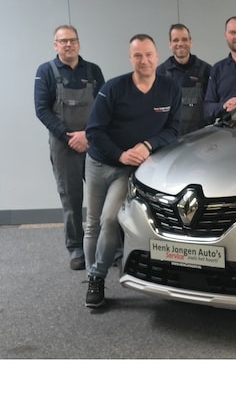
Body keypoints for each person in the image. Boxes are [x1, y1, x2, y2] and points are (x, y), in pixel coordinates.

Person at [83, 34, 181, 308]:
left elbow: (173, 129)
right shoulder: (114, 88)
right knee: (92, 223)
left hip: (126, 170)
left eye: (148, 54)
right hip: (99, 163)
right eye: (138, 55)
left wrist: (148, 145)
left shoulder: (170, 89)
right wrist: (120, 154)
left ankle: (97, 275)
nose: (144, 60)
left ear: (157, 56)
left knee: (110, 219)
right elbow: (94, 131)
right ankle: (93, 278)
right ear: (130, 58)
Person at [34, 25, 106, 270]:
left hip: (93, 143)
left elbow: (103, 107)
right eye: (63, 41)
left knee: (103, 197)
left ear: (78, 43)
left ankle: (109, 246)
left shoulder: (93, 70)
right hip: (64, 146)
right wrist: (69, 137)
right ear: (55, 45)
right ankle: (76, 248)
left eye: (72, 40)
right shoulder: (46, 71)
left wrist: (88, 135)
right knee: (71, 198)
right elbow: (42, 110)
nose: (68, 44)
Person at [156, 23, 212, 135]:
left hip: (200, 137)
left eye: (184, 39)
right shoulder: (160, 73)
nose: (180, 43)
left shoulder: (206, 70)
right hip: (171, 137)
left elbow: (212, 104)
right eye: (175, 40)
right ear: (170, 44)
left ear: (191, 42)